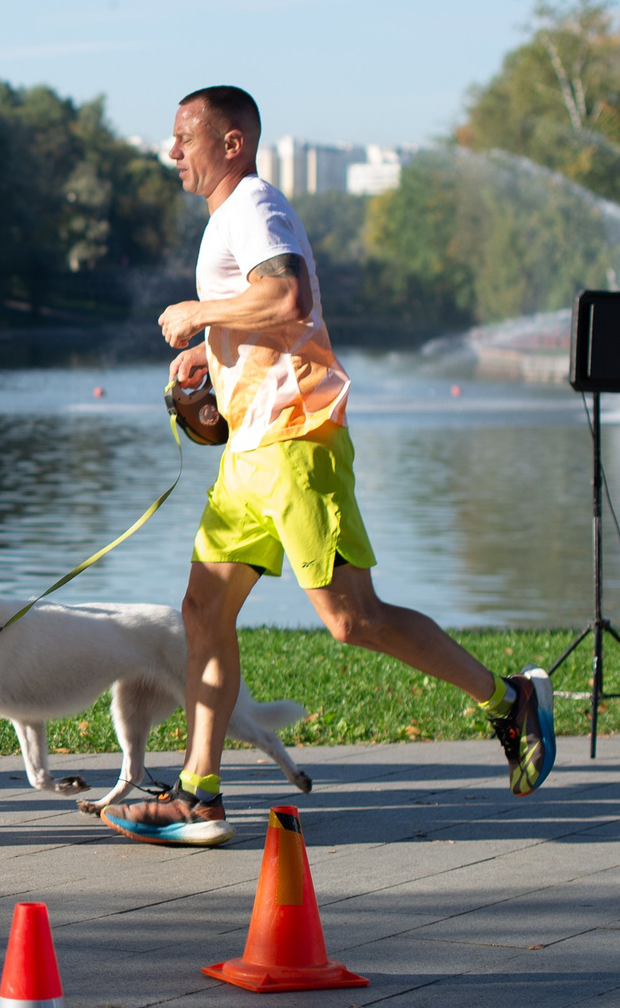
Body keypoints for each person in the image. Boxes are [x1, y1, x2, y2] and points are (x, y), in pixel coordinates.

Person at [103, 87, 554, 847]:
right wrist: (207, 359)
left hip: (295, 442)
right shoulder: (230, 218)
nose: (173, 152)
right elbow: (267, 320)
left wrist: (198, 312)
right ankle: (198, 793)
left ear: (233, 142)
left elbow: (286, 296)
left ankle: (508, 700)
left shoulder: (252, 205)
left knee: (352, 619)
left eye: (185, 138)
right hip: (250, 452)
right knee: (202, 612)